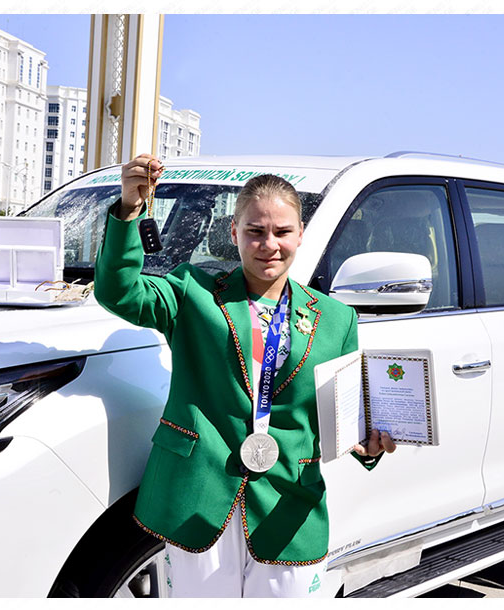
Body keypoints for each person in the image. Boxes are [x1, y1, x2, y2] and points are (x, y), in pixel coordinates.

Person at [94, 153, 395, 598]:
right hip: (198, 495)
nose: (268, 244)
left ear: (300, 235)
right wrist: (128, 210)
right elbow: (118, 291)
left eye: (282, 232)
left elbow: (341, 414)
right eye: (255, 231)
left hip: (287, 505)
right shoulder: (191, 292)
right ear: (234, 233)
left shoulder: (337, 320)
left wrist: (367, 446)